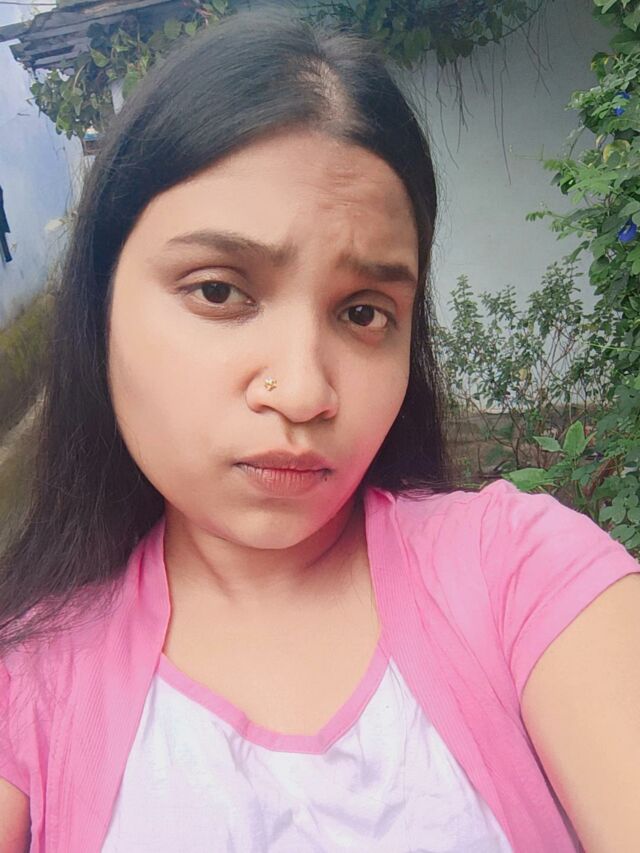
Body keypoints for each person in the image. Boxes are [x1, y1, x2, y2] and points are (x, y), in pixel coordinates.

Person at [1, 4, 639, 851]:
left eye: (364, 312)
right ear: (100, 308)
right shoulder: (29, 689)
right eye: (219, 290)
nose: (304, 392)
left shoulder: (522, 577)